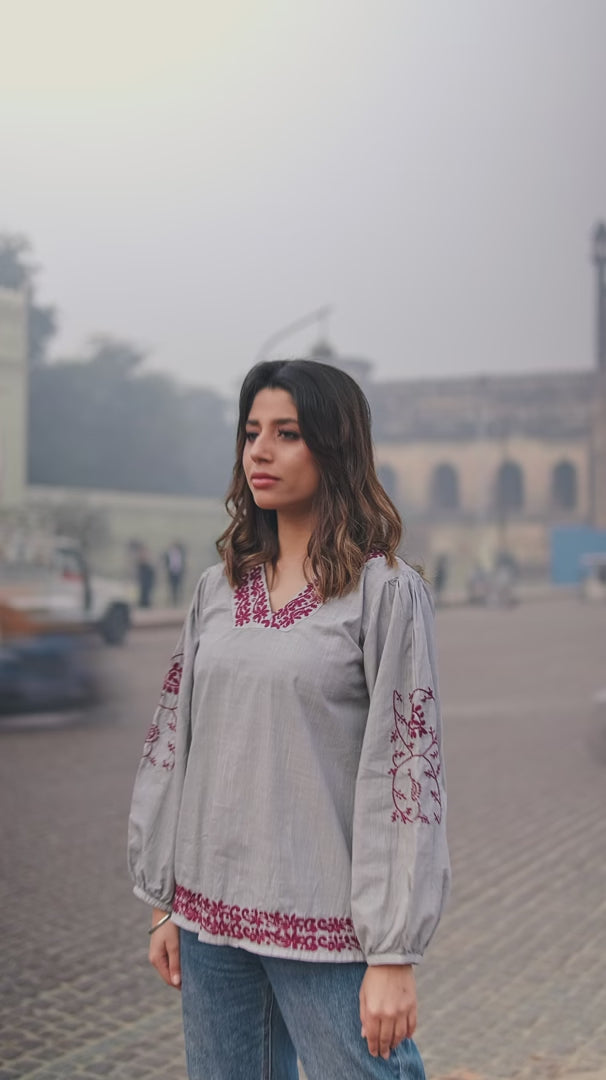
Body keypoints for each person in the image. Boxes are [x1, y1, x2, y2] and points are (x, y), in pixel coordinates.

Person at [128, 359, 450, 1080]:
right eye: (250, 433)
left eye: (288, 433)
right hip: (211, 926)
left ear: (334, 447)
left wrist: (393, 952)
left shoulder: (386, 594)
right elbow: (176, 743)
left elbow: (406, 773)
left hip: (328, 930)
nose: (260, 452)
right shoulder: (219, 589)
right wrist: (163, 901)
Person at [164, 541, 186, 605]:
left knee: (179, 587)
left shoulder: (181, 554)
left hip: (179, 573)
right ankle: (172, 600)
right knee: (171, 587)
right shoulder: (168, 554)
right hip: (171, 573)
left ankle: (179, 600)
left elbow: (183, 563)